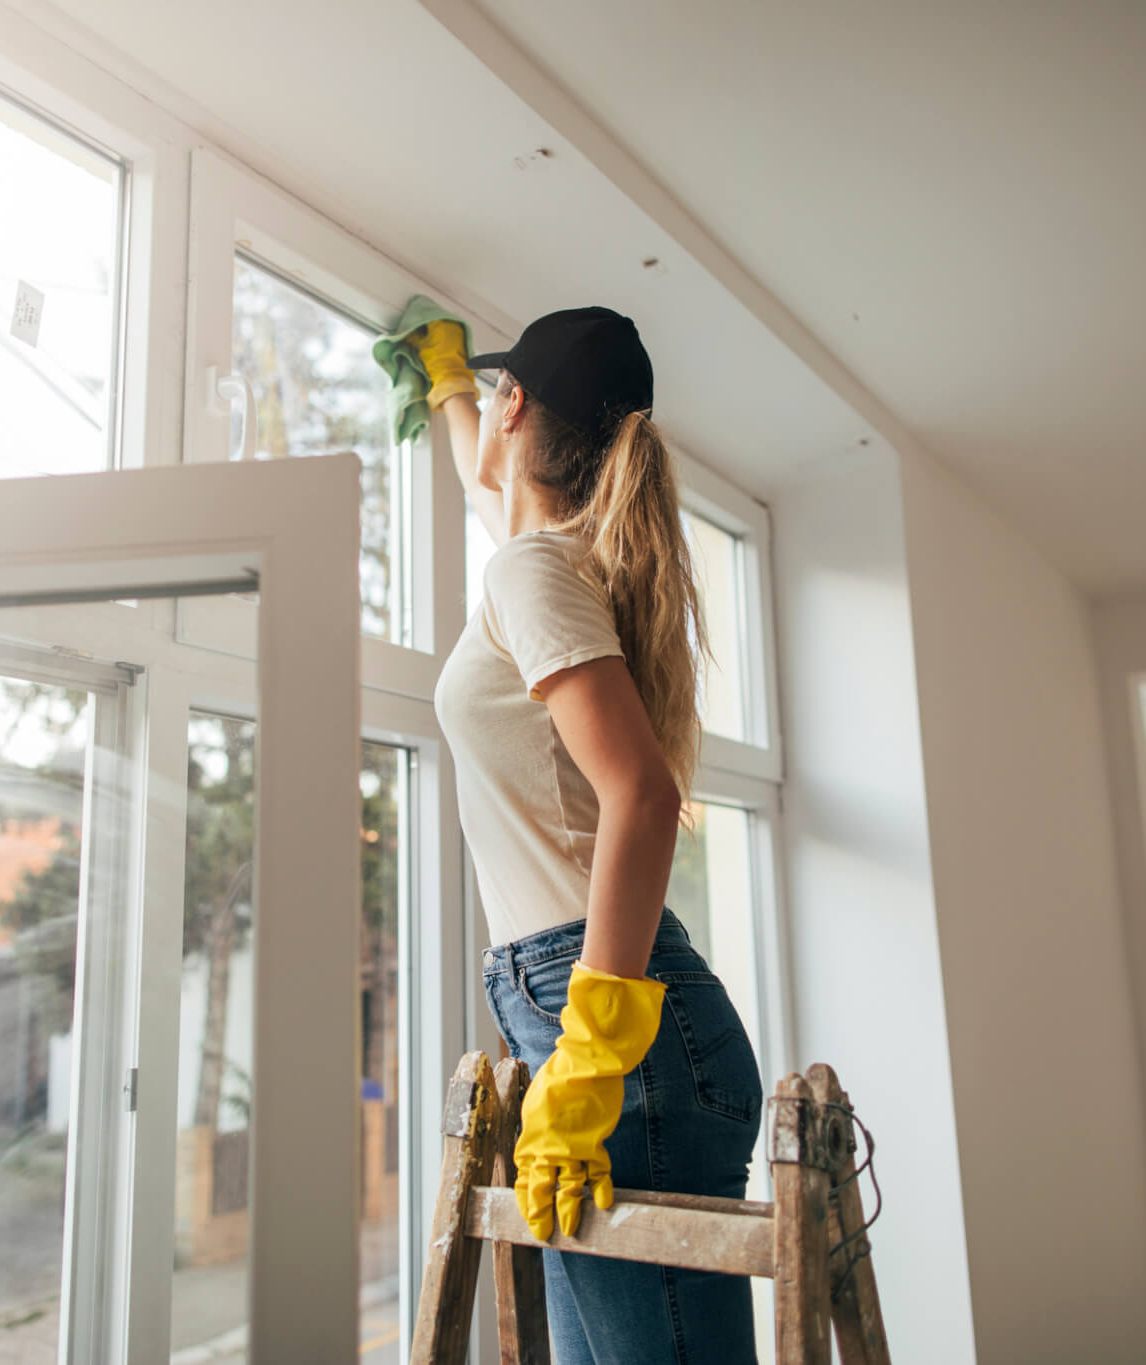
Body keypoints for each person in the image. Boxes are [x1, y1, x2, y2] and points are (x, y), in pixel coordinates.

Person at [412, 307, 763, 1365]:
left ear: (514, 407)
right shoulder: (548, 564)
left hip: (611, 1027)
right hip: (610, 1019)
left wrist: (591, 1056)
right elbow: (498, 494)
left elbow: (643, 799)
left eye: (485, 396)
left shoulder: (534, 574)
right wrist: (442, 393)